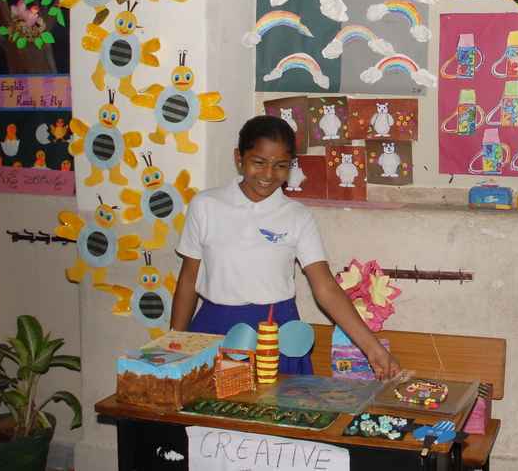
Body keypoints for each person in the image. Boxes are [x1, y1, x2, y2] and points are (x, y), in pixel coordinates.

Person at [170, 115, 400, 379]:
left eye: (280, 165)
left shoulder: (297, 216)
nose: (268, 175)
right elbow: (188, 279)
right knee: (207, 404)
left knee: (275, 402)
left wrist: (372, 349)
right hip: (215, 328)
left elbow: (325, 287)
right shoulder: (206, 206)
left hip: (277, 334)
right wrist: (174, 344)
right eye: (259, 162)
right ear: (239, 158)